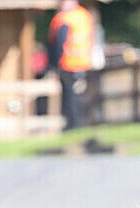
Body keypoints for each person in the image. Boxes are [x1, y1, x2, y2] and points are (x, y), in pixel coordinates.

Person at [47, 0, 94, 130]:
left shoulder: (63, 18)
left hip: (68, 63)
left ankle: (73, 125)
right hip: (84, 63)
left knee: (70, 98)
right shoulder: (85, 15)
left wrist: (53, 65)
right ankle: (81, 123)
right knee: (80, 95)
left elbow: (57, 44)